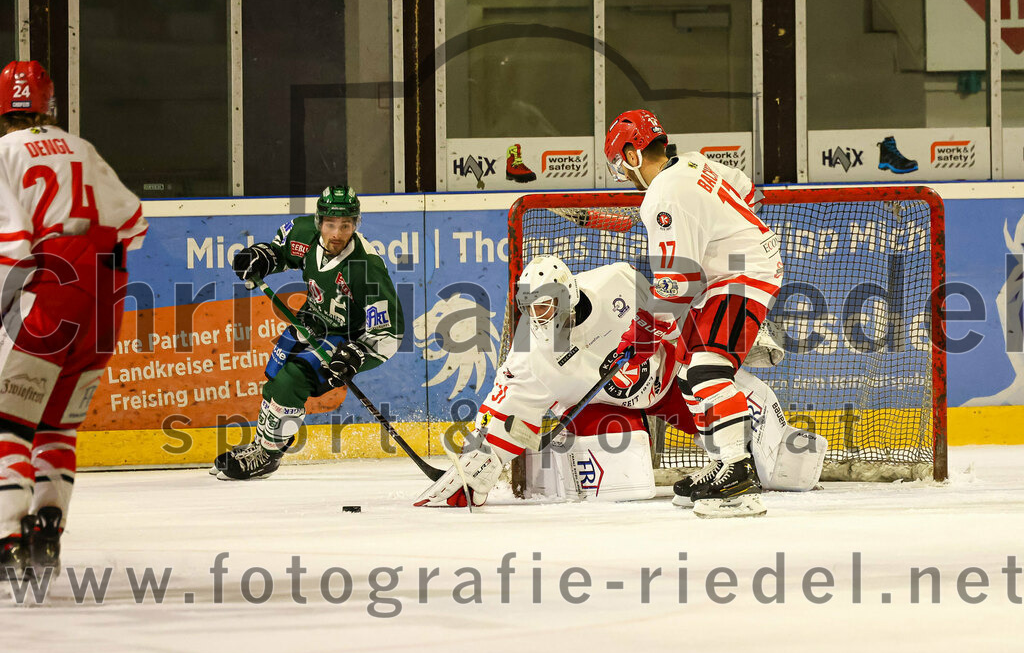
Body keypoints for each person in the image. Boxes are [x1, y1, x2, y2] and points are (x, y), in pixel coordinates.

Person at [413, 256, 822, 514]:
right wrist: (482, 459)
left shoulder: (617, 280)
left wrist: (723, 341)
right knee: (632, 487)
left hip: (670, 380)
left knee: (784, 469)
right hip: (607, 407)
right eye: (530, 308)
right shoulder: (532, 351)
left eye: (546, 306)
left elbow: (676, 308)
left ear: (568, 293)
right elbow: (504, 409)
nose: (538, 316)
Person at [0, 60, 148, 579]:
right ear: (50, 105)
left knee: (10, 422)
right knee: (58, 424)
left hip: (49, 287)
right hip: (107, 291)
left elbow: (12, 242)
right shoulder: (80, 148)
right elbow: (134, 223)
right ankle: (49, 527)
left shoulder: (3, 153)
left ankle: (9, 538)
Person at [604, 108, 784, 517]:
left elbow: (675, 287)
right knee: (687, 371)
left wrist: (641, 337)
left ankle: (738, 474)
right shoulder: (693, 162)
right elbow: (746, 189)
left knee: (706, 370)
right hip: (736, 271)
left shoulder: (663, 196)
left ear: (633, 155)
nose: (623, 176)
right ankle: (723, 462)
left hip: (741, 276)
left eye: (621, 164)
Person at [215, 185, 404, 481]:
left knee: (293, 378)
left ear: (356, 224)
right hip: (311, 320)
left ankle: (267, 455)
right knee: (277, 375)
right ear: (319, 222)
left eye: (346, 225)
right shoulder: (302, 231)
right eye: (330, 224)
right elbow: (279, 253)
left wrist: (355, 356)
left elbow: (389, 335)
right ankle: (262, 445)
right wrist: (262, 258)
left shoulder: (367, 267)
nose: (337, 233)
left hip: (345, 339)